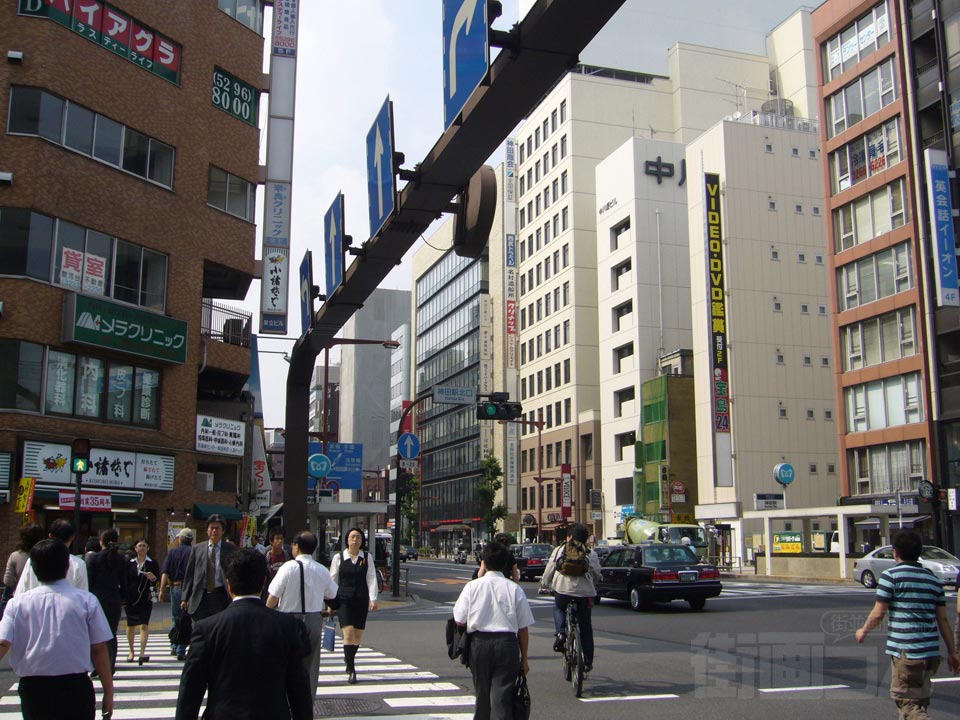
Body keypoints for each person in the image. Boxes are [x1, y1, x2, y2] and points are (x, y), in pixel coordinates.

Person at [175, 549, 312, 720]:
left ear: (228, 585)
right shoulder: (288, 625)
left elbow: (190, 691)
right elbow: (299, 688)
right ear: (264, 583)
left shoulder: (206, 629)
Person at [0, 539, 114, 720]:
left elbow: (3, 643)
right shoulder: (86, 601)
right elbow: (99, 648)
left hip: (34, 687)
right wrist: (108, 690)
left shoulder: (17, 604)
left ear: (34, 568)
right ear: (67, 566)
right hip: (75, 685)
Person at [856, 531, 960, 718]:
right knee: (919, 702)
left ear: (895, 552)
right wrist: (953, 652)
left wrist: (863, 631)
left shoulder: (890, 577)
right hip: (930, 654)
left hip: (907, 653)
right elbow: (943, 620)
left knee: (908, 705)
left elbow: (879, 612)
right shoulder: (933, 580)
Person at [453, 541, 534, 720]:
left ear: (484, 562)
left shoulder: (472, 587)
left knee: (481, 695)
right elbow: (523, 628)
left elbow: (459, 619)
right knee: (502, 697)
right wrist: (525, 659)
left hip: (479, 644)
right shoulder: (514, 589)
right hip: (507, 645)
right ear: (505, 564)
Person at [267, 530, 339, 701]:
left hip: (287, 619)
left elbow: (273, 597)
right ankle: (306, 703)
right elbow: (334, 596)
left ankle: (285, 700)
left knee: (284, 662)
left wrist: (265, 615)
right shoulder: (321, 570)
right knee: (310, 664)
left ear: (297, 547)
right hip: (313, 619)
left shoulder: (288, 567)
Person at [540, 522, 602, 673]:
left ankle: (561, 633)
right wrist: (592, 585)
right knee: (586, 626)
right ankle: (587, 661)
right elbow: (596, 573)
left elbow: (550, 569)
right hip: (584, 593)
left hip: (563, 589)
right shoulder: (590, 552)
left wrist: (544, 584)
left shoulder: (560, 549)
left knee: (559, 607)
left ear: (569, 537)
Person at [329, 527, 379, 684]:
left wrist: (373, 598)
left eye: (358, 537)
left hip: (361, 599)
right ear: (347, 540)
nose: (355, 540)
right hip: (344, 600)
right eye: (352, 537)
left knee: (357, 636)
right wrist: (330, 602)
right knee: (348, 633)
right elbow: (332, 580)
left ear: (362, 541)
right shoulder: (339, 558)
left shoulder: (366, 558)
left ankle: (348, 659)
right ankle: (351, 668)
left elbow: (371, 578)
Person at [181, 514, 237, 621]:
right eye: (211, 528)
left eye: (217, 528)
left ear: (223, 531)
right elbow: (189, 575)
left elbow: (235, 573)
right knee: (199, 630)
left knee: (219, 629)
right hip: (200, 596)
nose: (214, 531)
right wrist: (184, 598)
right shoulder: (197, 549)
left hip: (221, 595)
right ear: (207, 530)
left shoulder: (231, 549)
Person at [86, 528, 126, 674]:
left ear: (101, 541)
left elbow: (89, 582)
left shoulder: (94, 558)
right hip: (114, 599)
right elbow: (124, 581)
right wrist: (123, 598)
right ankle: (110, 665)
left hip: (97, 600)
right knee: (111, 634)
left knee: (95, 633)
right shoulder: (121, 559)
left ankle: (96, 666)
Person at [17, 519, 89, 593]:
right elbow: (83, 593)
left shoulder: (34, 559)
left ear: (50, 535)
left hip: (33, 603)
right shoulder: (78, 564)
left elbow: (21, 591)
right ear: (72, 537)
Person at [159, 527, 194, 660]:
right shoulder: (194, 552)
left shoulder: (172, 553)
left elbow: (165, 572)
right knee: (186, 618)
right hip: (189, 589)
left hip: (175, 587)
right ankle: (181, 649)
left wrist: (161, 590)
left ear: (180, 539)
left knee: (175, 617)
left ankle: (173, 645)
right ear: (191, 540)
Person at [124, 538, 159, 665]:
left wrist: (152, 577)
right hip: (131, 597)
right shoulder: (130, 562)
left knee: (144, 624)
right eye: (140, 546)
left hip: (146, 597)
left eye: (144, 546)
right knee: (130, 625)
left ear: (148, 548)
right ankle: (131, 651)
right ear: (135, 548)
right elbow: (125, 579)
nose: (142, 548)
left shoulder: (152, 563)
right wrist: (124, 596)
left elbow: (157, 578)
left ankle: (142, 652)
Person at [2, 524, 45, 613]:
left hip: (20, 599)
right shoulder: (46, 556)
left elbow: (8, 581)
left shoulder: (15, 556)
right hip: (42, 600)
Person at [265, 528, 293, 596]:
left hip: (285, 592)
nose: (280, 541)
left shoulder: (288, 556)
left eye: (281, 538)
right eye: (277, 538)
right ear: (271, 541)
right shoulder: (266, 558)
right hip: (271, 592)